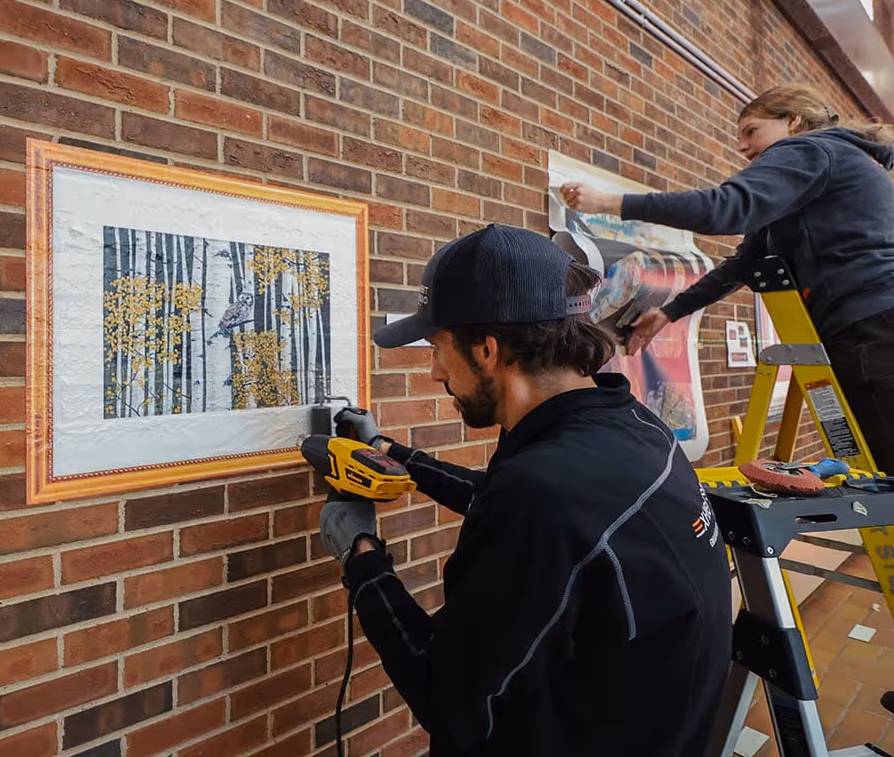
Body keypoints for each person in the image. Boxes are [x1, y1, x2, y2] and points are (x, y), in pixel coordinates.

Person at [319, 224, 733, 756]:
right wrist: (396, 455)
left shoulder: (541, 495)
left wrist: (363, 557)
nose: (432, 371)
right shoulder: (628, 425)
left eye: (439, 348)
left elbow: (447, 700)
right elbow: (508, 504)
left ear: (487, 349)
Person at [559, 85, 894, 472]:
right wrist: (668, 313)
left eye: (751, 131)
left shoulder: (809, 150)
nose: (742, 146)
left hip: (872, 327)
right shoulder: (830, 166)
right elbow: (744, 263)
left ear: (792, 122)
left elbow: (726, 208)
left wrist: (611, 203)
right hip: (871, 325)